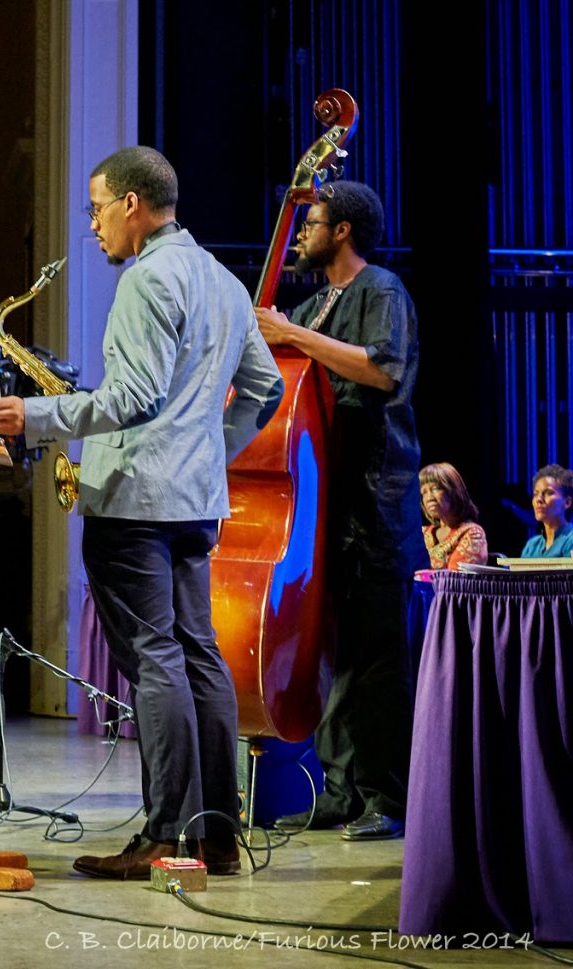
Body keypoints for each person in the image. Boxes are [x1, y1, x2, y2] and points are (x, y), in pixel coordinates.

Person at [0, 146, 284, 879]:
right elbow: (264, 386)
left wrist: (35, 413)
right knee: (196, 654)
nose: (94, 224)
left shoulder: (148, 279)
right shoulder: (222, 281)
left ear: (133, 206)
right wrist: (210, 447)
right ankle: (214, 837)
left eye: (97, 207)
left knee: (156, 660)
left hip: (137, 499)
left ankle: (166, 835)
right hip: (194, 499)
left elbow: (134, 396)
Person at [255, 181, 424, 842]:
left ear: (344, 230)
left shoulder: (379, 290)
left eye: (313, 221)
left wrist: (292, 332)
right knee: (335, 657)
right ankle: (340, 788)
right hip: (328, 505)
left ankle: (386, 794)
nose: (302, 233)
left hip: (377, 504)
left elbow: (383, 370)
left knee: (377, 660)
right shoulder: (319, 301)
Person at [419, 462, 488, 570]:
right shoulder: (421, 533)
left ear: (453, 491)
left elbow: (456, 582)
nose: (429, 498)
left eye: (435, 489)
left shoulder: (472, 533)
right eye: (424, 493)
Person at [520, 464, 573, 557]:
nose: (539, 499)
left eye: (548, 493)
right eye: (535, 494)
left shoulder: (570, 540)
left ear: (567, 502)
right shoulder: (531, 546)